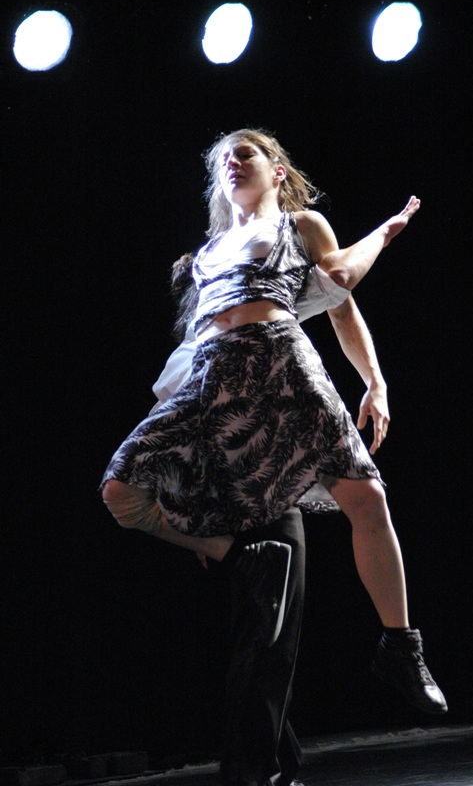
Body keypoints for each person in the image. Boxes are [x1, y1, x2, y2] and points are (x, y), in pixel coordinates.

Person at [101, 128, 447, 786]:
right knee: (120, 488)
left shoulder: (300, 226)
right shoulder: (202, 256)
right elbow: (192, 344)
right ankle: (227, 550)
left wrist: (375, 379)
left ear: (277, 170)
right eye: (223, 160)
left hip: (285, 365)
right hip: (217, 382)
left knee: (366, 496)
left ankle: (401, 647)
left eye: (246, 154)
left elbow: (339, 292)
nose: (233, 164)